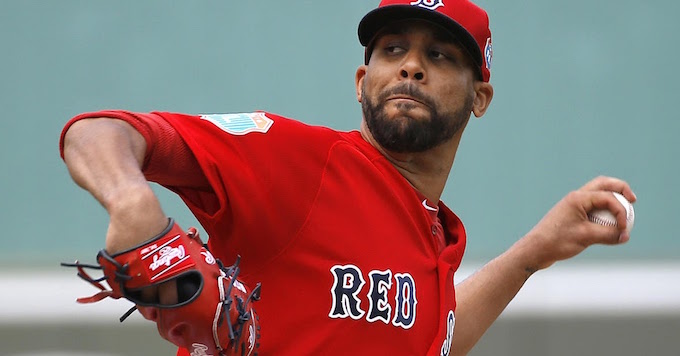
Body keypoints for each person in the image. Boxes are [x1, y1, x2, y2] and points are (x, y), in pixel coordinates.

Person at [59, 0, 636, 355]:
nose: (411, 65)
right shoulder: (298, 161)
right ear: (363, 78)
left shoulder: (435, 239)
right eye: (393, 49)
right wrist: (130, 201)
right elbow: (99, 131)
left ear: (480, 97)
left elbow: (429, 345)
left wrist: (533, 252)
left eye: (440, 56)